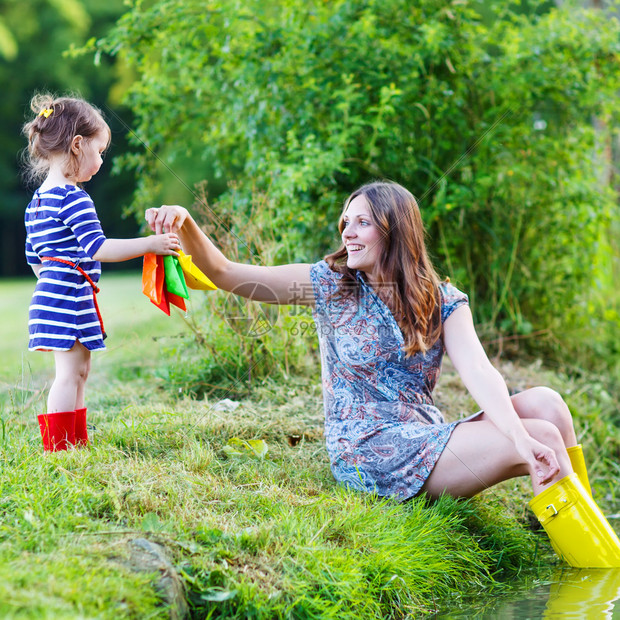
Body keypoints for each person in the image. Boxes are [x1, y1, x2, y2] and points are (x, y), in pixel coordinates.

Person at [146, 180, 620, 568]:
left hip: (421, 433)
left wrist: (517, 437)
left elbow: (480, 371)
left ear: (395, 231)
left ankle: (568, 534)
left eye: (362, 223)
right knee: (540, 434)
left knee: (548, 406)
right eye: (345, 222)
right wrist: (186, 223)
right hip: (367, 448)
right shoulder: (329, 285)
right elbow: (228, 273)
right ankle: (598, 568)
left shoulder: (441, 298)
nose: (347, 233)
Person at [22, 93, 181, 452]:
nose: (100, 160)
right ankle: (60, 450)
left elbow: (34, 258)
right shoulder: (73, 197)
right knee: (69, 374)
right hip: (67, 298)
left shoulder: (38, 202)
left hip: (52, 294)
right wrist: (149, 246)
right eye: (99, 151)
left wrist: (53, 285)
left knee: (79, 370)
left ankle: (76, 444)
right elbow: (98, 248)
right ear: (78, 145)